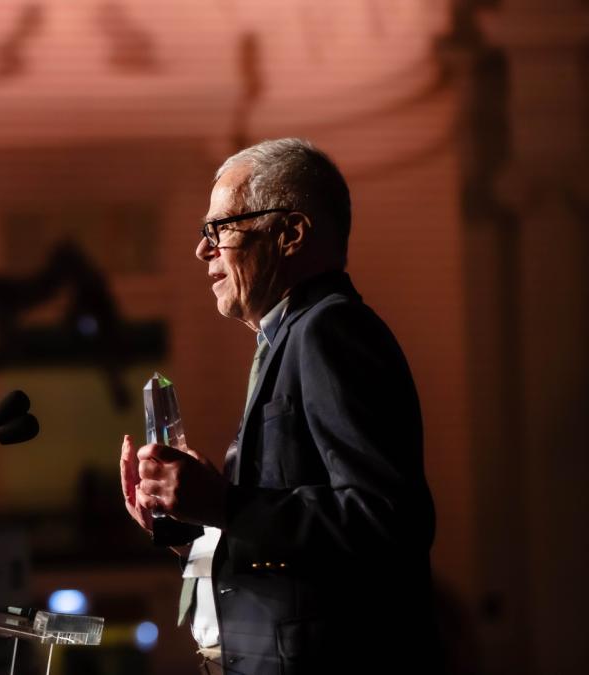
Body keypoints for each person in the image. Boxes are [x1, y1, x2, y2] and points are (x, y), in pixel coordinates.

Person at [119, 138, 439, 674]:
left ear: (290, 233)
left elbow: (387, 523)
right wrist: (193, 524)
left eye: (220, 229)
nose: (203, 250)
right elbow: (292, 552)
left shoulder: (329, 329)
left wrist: (224, 503)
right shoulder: (286, 339)